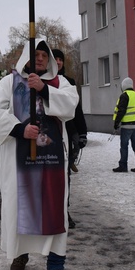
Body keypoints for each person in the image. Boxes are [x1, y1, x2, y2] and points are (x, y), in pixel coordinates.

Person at [0, 39, 78, 270]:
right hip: (20, 162)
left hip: (52, 162)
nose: (39, 58)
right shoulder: (10, 83)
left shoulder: (61, 83)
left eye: (43, 54)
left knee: (55, 211)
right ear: (26, 56)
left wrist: (45, 90)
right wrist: (19, 129)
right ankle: (20, 254)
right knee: (20, 208)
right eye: (35, 54)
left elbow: (70, 106)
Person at [52, 48, 88, 229]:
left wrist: (82, 133)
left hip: (68, 131)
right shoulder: (41, 81)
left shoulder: (69, 82)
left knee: (65, 176)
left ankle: (64, 211)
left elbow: (77, 110)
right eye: (55, 59)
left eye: (60, 59)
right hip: (48, 133)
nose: (58, 62)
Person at [112, 77, 135, 173]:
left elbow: (121, 110)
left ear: (124, 86)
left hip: (127, 125)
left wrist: (116, 123)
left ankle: (123, 165)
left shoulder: (125, 95)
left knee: (124, 146)